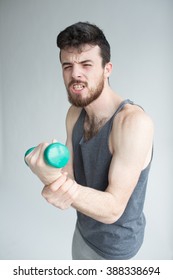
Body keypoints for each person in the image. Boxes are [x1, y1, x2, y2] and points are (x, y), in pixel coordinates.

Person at [25, 22, 154, 260]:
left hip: (116, 249)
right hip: (84, 232)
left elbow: (113, 208)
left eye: (86, 64)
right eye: (68, 66)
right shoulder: (75, 113)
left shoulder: (133, 123)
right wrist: (51, 174)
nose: (75, 74)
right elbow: (69, 177)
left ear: (107, 69)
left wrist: (54, 182)